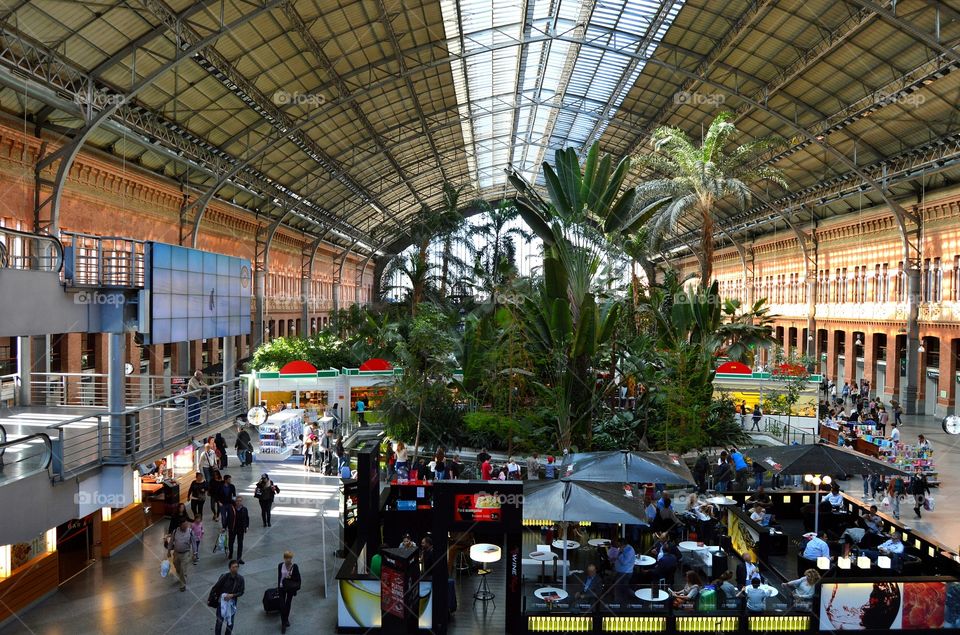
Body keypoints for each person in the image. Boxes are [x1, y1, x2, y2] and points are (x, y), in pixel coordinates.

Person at [213, 560, 245, 635]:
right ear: (229, 568)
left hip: (232, 603)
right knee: (219, 622)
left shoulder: (240, 579)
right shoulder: (224, 576)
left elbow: (241, 592)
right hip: (222, 602)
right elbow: (217, 588)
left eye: (237, 567)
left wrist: (232, 595)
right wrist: (222, 595)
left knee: (230, 623)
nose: (235, 569)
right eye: (233, 567)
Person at [277, 551, 301, 633]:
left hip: (290, 588)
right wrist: (278, 587)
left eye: (290, 558)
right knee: (282, 605)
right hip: (281, 587)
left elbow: (298, 579)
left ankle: (285, 620)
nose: (288, 559)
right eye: (287, 558)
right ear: (284, 558)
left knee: (288, 604)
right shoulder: (280, 565)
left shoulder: (295, 567)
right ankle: (284, 623)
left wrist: (290, 577)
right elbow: (279, 577)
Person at [169, 518, 195, 592]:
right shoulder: (175, 531)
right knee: (176, 565)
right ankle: (182, 575)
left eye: (187, 524)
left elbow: (193, 542)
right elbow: (171, 542)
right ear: (180, 525)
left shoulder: (190, 531)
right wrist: (168, 551)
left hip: (185, 553)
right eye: (184, 525)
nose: (186, 526)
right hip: (176, 553)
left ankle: (182, 585)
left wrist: (195, 553)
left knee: (183, 569)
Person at [228, 497, 249, 564]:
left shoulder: (244, 509)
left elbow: (247, 518)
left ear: (242, 502)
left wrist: (246, 526)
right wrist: (224, 527)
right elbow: (228, 518)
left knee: (240, 543)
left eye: (240, 501)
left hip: (241, 529)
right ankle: (230, 552)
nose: (238, 502)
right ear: (235, 502)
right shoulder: (231, 509)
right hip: (233, 528)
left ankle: (239, 558)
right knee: (231, 542)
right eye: (237, 501)